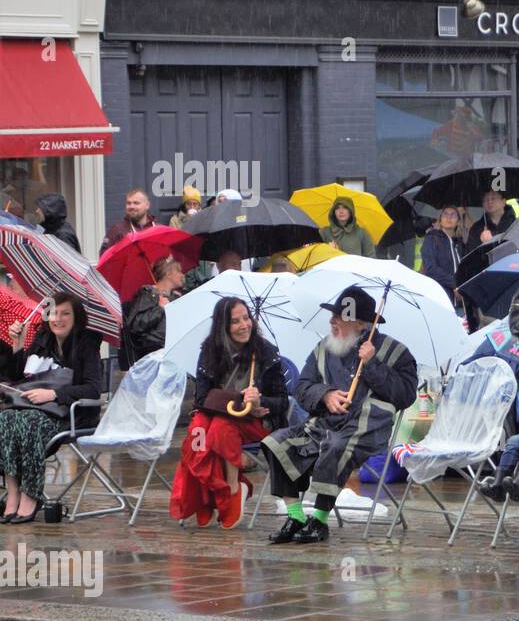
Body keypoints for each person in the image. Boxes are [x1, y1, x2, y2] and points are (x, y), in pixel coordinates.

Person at [263, 285, 418, 545]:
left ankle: (320, 520)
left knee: (336, 445)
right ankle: (297, 516)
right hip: (324, 425)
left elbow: (405, 396)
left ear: (362, 325)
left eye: (341, 317)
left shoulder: (396, 352)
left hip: (368, 430)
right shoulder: (323, 348)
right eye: (333, 315)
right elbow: (302, 387)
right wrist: (325, 395)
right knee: (277, 442)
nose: (332, 321)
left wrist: (372, 364)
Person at [169, 297, 290, 529]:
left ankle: (231, 489)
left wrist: (260, 401)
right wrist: (234, 399)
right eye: (235, 321)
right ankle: (208, 493)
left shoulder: (265, 352)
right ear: (223, 326)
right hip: (217, 416)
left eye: (246, 318)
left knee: (220, 428)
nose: (244, 325)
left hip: (256, 422)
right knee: (197, 433)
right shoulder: (210, 352)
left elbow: (282, 402)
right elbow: (202, 398)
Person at [0, 294, 102, 523]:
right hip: (32, 409)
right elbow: (17, 378)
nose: (59, 318)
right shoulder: (41, 339)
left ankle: (31, 494)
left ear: (76, 317)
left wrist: (55, 394)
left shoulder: (88, 343)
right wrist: (18, 344)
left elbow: (94, 389)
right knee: (5, 419)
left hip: (70, 414)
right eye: (54, 313)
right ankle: (13, 490)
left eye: (66, 313)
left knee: (29, 422)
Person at [122, 256, 184, 368]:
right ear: (168, 273)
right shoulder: (148, 295)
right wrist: (160, 309)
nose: (182, 275)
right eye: (178, 271)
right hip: (154, 356)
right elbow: (136, 324)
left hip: (174, 354)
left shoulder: (175, 297)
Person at [421, 206, 466, 306]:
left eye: (453, 215)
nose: (448, 217)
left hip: (460, 302)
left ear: (458, 222)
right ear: (440, 220)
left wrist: (462, 286)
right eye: (445, 214)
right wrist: (454, 284)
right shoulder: (432, 238)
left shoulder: (459, 244)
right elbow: (431, 269)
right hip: (440, 299)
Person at [100, 187, 156, 256]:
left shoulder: (157, 228)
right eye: (128, 203)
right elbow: (104, 257)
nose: (131, 206)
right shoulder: (117, 230)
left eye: (136, 203)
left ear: (147, 205)